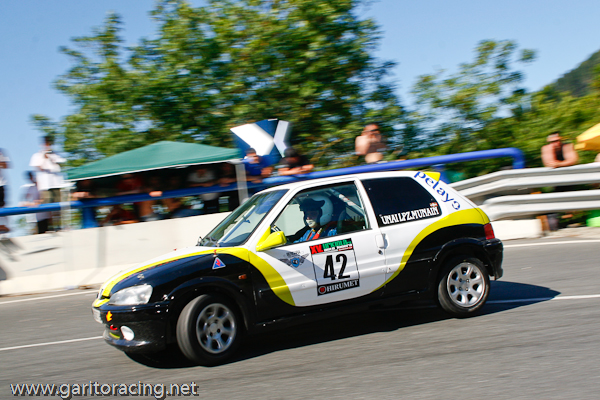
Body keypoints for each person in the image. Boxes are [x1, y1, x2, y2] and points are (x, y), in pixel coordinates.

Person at [29, 136, 66, 229]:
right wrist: (44, 157)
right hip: (45, 186)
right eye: (46, 143)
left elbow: (62, 163)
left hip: (56, 184)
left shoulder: (56, 154)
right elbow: (38, 166)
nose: (47, 145)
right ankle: (49, 226)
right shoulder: (37, 155)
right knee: (46, 206)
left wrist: (51, 158)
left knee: (58, 205)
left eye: (49, 143)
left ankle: (58, 226)